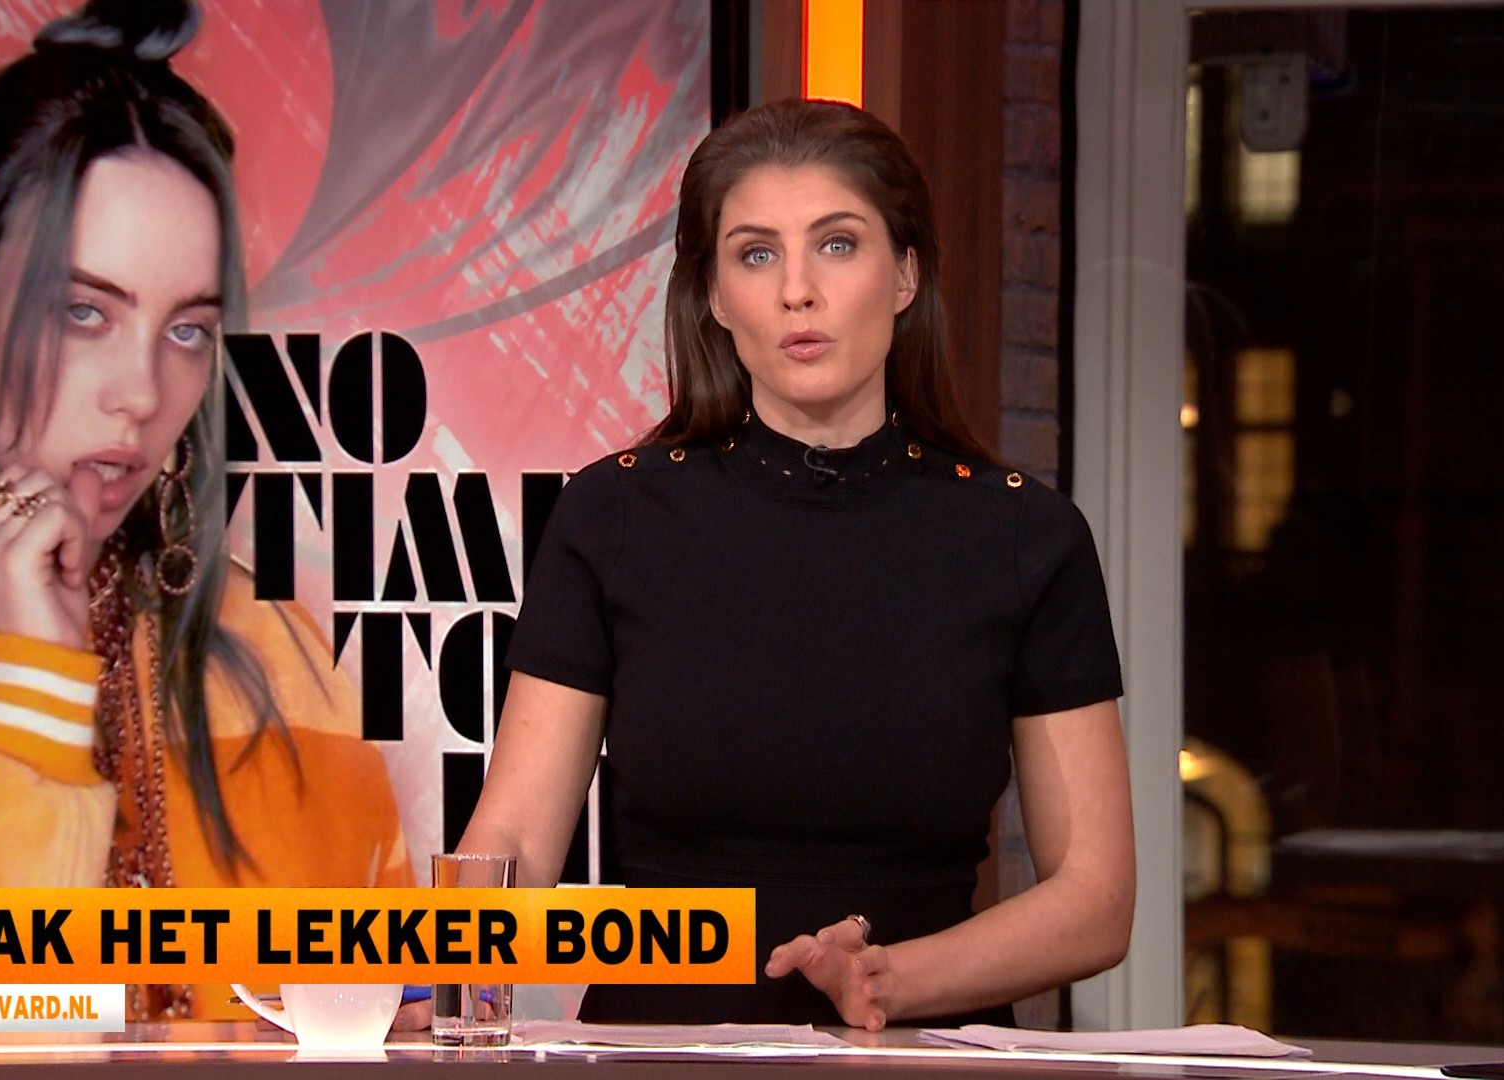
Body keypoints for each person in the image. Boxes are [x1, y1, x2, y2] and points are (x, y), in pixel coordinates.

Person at [0, 0, 412, 1025]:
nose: (142, 393)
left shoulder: (286, 659)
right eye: (85, 312)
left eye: (187, 331)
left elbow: (385, 1015)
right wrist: (33, 691)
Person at [453, 100, 1135, 1030]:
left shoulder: (1025, 536)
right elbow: (515, 842)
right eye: (756, 254)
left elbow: (1096, 896)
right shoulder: (612, 515)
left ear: (905, 273)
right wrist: (430, 976)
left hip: (915, 1053)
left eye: (838, 245)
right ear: (714, 295)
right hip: (660, 1054)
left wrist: (892, 982)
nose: (797, 292)